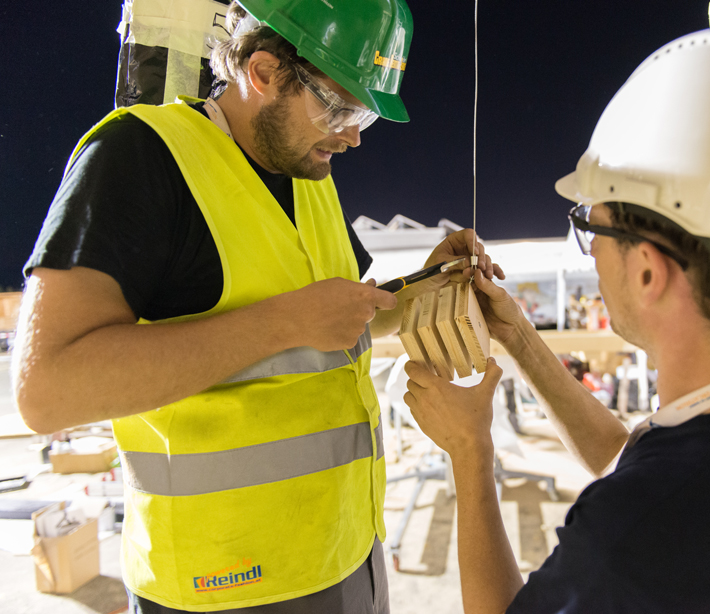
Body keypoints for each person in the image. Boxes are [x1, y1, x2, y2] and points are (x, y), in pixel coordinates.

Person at [12, 1, 501, 612]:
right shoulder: (140, 158)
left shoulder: (307, 176)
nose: (351, 135)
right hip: (222, 584)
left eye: (365, 118)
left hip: (346, 551)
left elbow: (343, 318)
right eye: (340, 107)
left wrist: (428, 282)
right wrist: (285, 323)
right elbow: (46, 389)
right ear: (264, 71)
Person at [404, 30, 710, 613]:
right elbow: (632, 455)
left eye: (591, 228)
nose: (591, 253)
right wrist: (519, 339)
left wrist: (469, 451)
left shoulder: (638, 529)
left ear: (649, 271)